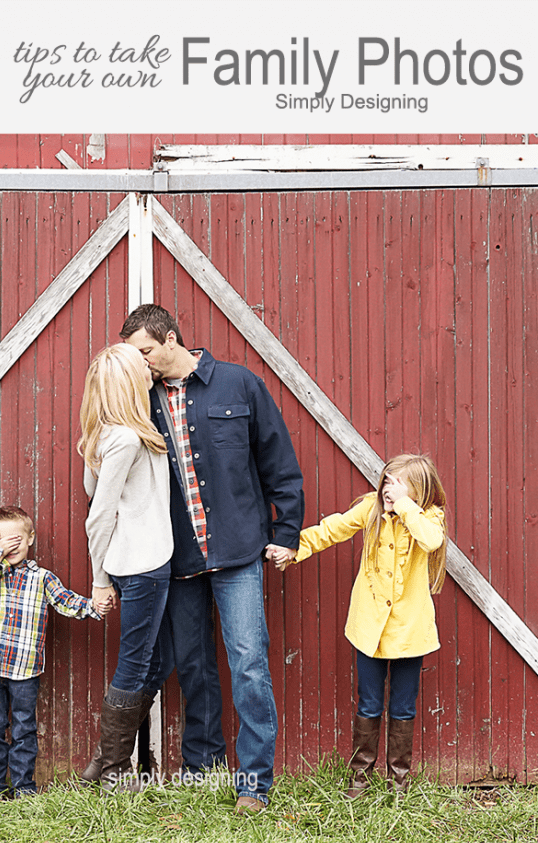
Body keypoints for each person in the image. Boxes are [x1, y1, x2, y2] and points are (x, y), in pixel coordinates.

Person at [120, 304, 304, 812]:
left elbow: (279, 463)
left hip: (239, 551)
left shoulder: (238, 384)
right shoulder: (141, 402)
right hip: (175, 559)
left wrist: (286, 533)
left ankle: (254, 783)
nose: (141, 364)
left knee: (248, 663)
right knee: (194, 667)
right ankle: (203, 769)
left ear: (172, 339)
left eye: (146, 352)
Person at [274, 453, 447, 796]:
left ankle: (398, 781)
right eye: (387, 481)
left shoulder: (428, 517)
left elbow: (431, 541)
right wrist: (295, 548)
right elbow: (333, 529)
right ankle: (360, 777)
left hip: (410, 631)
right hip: (369, 629)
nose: (389, 490)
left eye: (399, 485)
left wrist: (406, 507)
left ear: (419, 490)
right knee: (368, 702)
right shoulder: (371, 510)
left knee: (403, 705)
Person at [77, 342, 174, 790]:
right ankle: (115, 772)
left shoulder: (118, 433)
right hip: (141, 565)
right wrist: (99, 580)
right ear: (128, 383)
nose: (148, 370)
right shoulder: (127, 438)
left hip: (147, 561)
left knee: (157, 660)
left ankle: (102, 760)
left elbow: (90, 484)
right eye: (141, 368)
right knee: (136, 664)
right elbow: (98, 514)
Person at [0, 505, 100, 797]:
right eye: (2, 540)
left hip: (25, 668)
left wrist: (93, 606)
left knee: (24, 728)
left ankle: (24, 787)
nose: (10, 545)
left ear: (30, 539)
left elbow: (66, 601)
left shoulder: (43, 578)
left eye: (16, 539)